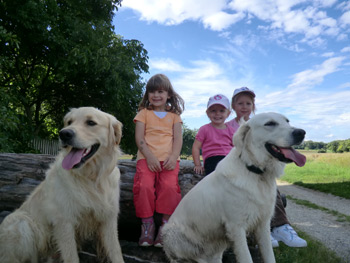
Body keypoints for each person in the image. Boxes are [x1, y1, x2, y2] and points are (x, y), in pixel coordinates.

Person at [226, 87, 307, 248]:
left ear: (253, 106)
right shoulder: (227, 126)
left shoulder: (264, 123)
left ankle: (280, 226)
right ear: (233, 107)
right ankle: (260, 232)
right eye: (240, 103)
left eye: (248, 103)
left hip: (260, 170)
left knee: (271, 188)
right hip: (236, 167)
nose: (244, 106)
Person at [133, 73, 184, 247]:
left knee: (169, 188)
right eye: (152, 91)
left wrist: (173, 156)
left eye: (161, 91)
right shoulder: (143, 114)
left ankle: (165, 228)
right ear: (147, 94)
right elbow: (139, 138)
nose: (156, 95)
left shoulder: (175, 117)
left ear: (169, 94)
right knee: (144, 186)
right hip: (146, 158)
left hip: (169, 161)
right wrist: (149, 156)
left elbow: (178, 140)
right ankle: (147, 227)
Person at [192, 94, 235, 176]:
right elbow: (196, 147)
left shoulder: (231, 130)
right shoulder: (204, 129)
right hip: (212, 158)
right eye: (213, 111)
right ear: (207, 113)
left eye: (222, 111)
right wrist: (198, 164)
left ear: (228, 113)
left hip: (229, 158)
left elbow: (236, 148)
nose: (217, 114)